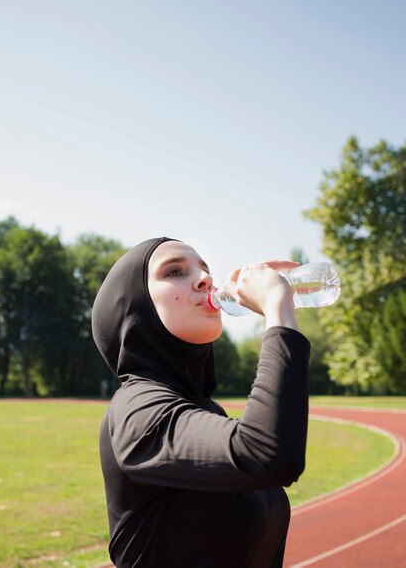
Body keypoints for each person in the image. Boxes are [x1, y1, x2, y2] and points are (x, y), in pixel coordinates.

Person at [92, 237, 310, 568]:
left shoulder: (202, 409)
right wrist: (278, 309)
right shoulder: (136, 409)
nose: (205, 278)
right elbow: (267, 452)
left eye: (204, 269)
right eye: (175, 271)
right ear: (136, 308)